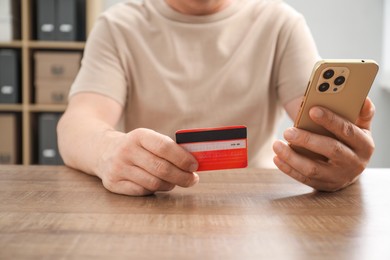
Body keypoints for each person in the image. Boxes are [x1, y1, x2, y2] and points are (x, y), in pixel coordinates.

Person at [57, 0, 375, 196]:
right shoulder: (118, 26)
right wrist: (106, 152)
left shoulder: (281, 23)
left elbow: (316, 124)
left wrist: (340, 156)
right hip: (152, 199)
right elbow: (77, 123)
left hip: (255, 206)